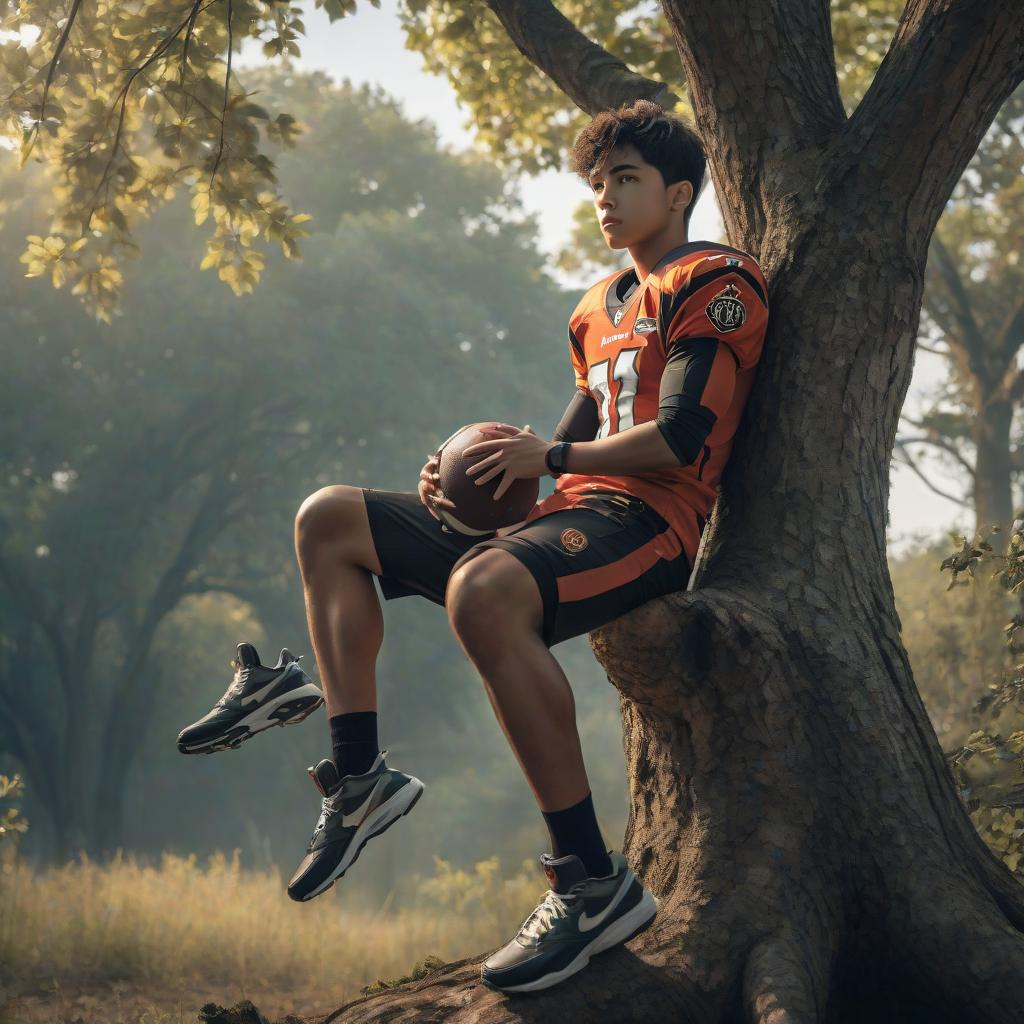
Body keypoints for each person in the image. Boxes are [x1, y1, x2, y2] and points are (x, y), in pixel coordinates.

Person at [177, 97, 769, 994]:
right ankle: (358, 775)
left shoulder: (715, 281)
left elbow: (681, 437)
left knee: (483, 592)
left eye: (627, 180)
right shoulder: (595, 307)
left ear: (679, 191)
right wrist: (463, 476)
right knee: (329, 517)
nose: (605, 197)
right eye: (597, 182)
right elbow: (544, 454)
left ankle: (589, 880)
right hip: (563, 516)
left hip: (649, 525)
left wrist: (552, 457)